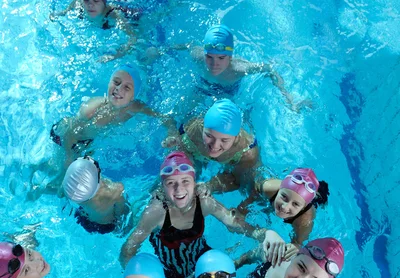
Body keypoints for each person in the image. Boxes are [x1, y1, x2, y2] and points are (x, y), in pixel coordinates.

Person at [120, 152, 264, 278]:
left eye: (185, 181)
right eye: (171, 183)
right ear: (163, 187)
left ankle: (248, 258)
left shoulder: (203, 202)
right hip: (169, 273)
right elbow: (128, 250)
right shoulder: (156, 212)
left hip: (203, 258)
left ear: (194, 183)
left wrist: (262, 234)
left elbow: (233, 223)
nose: (179, 189)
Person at [164, 24, 310, 109]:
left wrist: (289, 98)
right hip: (203, 86)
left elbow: (270, 68)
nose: (214, 64)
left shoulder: (240, 69)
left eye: (221, 58)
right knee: (180, 113)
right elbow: (188, 45)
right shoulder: (199, 57)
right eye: (210, 57)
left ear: (230, 57)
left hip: (228, 93)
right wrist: (160, 51)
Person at [50, 63, 169, 163]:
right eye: (116, 82)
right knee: (58, 170)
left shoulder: (135, 106)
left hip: (89, 140)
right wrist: (69, 156)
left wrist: (172, 132)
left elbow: (164, 118)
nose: (119, 89)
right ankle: (37, 169)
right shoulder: (92, 109)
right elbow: (69, 132)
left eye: (127, 88)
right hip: (66, 138)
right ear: (109, 84)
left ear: (133, 96)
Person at [163, 100, 260, 193]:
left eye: (224, 140)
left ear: (236, 137)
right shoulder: (193, 131)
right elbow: (170, 123)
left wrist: (210, 186)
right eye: (209, 136)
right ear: (203, 127)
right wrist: (175, 141)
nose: (214, 146)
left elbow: (236, 181)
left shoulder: (246, 153)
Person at [49, 0, 138, 63]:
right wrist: (56, 15)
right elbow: (63, 12)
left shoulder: (114, 15)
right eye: (86, 0)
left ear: (104, 2)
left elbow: (133, 38)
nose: (90, 5)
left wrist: (116, 55)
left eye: (96, 1)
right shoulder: (77, 5)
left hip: (133, 14)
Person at [238, 168, 330, 248]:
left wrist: (295, 246)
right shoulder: (269, 187)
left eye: (295, 204)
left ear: (303, 207)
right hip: (281, 192)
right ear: (280, 189)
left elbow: (297, 244)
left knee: (321, 196)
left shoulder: (304, 221)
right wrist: (243, 209)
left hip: (316, 200)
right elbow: (255, 191)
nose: (285, 207)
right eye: (284, 197)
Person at [62, 156, 132, 234]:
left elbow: (121, 210)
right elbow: (121, 210)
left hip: (91, 215)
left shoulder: (67, 190)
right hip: (104, 218)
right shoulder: (113, 192)